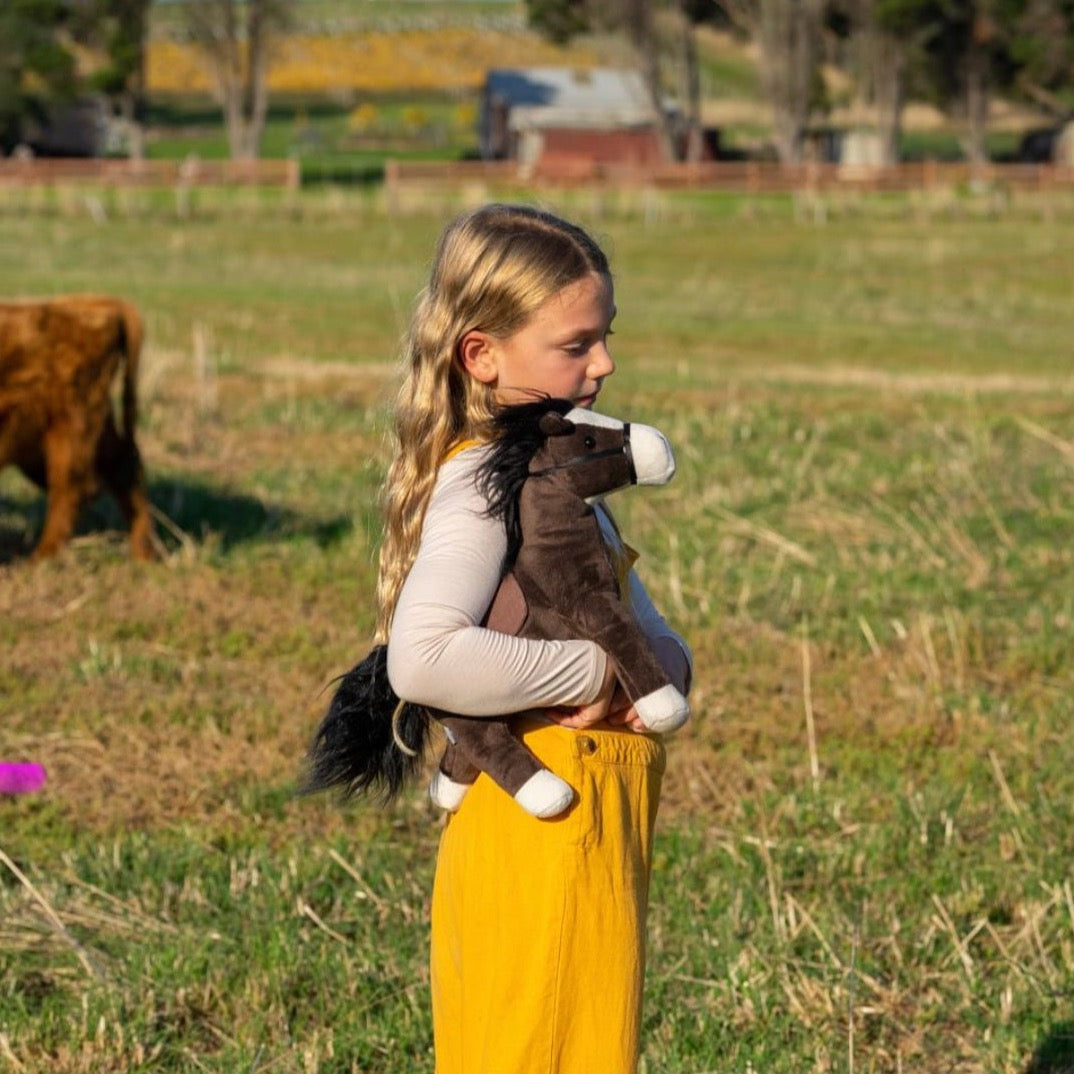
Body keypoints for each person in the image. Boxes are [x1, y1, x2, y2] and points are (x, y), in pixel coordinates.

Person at [379, 203, 693, 1074]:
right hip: (540, 840)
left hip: (588, 846)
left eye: (607, 336)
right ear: (482, 355)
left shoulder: (554, 482)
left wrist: (663, 663)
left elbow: (647, 627)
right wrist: (597, 669)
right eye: (576, 344)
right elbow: (424, 654)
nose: (605, 362)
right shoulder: (483, 481)